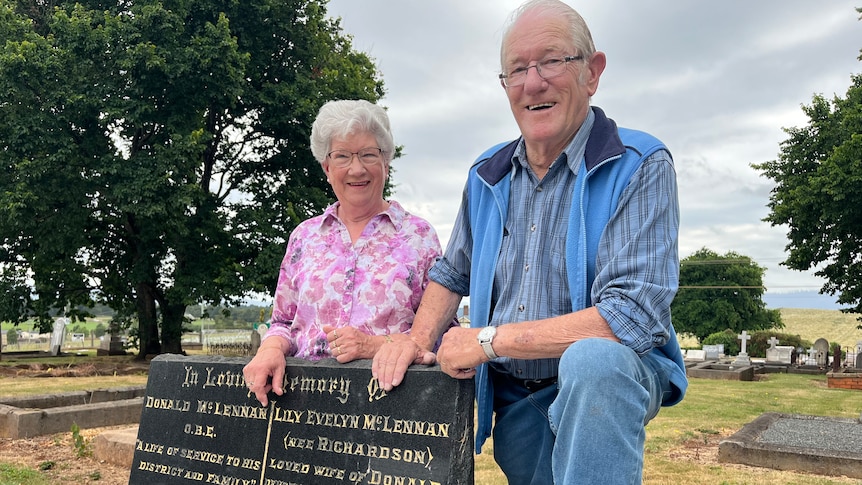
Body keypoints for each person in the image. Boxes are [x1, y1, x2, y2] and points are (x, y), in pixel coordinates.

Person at [371, 1, 688, 483]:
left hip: (609, 381)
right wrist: (415, 342)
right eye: (517, 69)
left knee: (594, 362)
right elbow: (452, 273)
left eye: (553, 61)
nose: (533, 82)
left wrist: (487, 341)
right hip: (516, 396)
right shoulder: (485, 175)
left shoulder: (639, 164)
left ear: (592, 72)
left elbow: (630, 317)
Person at [244, 99, 443, 407]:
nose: (356, 168)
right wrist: (270, 349)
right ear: (327, 168)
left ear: (386, 163)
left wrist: (374, 346)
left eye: (368, 154)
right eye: (342, 157)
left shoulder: (419, 236)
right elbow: (282, 321)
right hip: (303, 408)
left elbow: (442, 330)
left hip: (393, 409)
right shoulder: (304, 237)